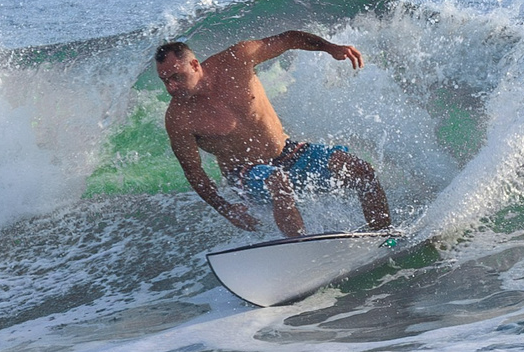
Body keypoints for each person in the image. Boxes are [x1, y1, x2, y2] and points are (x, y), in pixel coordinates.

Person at [155, 31, 392, 237]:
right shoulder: (179, 118)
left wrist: (329, 47)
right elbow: (193, 171)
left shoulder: (237, 59)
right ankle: (299, 249)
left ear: (195, 65)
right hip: (243, 172)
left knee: (362, 170)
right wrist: (225, 208)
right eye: (165, 81)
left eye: (177, 77)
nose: (171, 87)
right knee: (276, 180)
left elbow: (288, 39)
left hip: (288, 153)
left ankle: (382, 237)